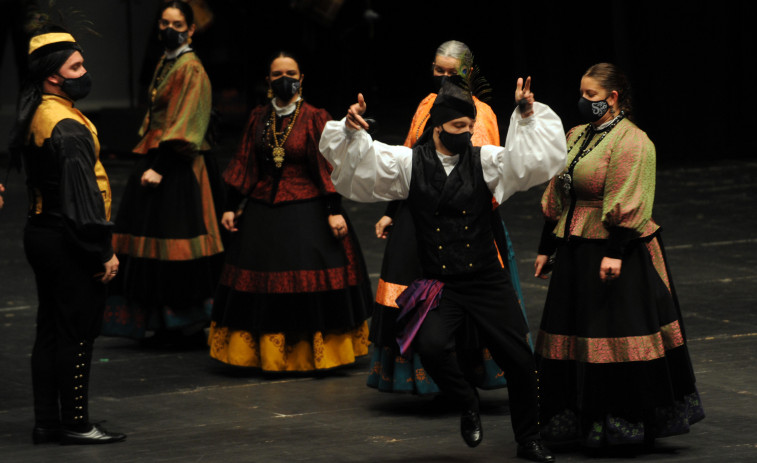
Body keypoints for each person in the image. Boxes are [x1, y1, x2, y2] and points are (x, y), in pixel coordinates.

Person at [319, 77, 566, 462]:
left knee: (519, 359)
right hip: (440, 281)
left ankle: (529, 440)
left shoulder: (484, 161)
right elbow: (361, 168)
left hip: (485, 278)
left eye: (469, 127)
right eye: (457, 127)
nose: (466, 134)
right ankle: (466, 400)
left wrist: (528, 115)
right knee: (431, 345)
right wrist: (350, 132)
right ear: (438, 126)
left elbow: (527, 162)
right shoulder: (409, 163)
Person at [533, 63, 704, 449]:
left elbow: (630, 199)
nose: (583, 101)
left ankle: (620, 422)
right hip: (575, 247)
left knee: (610, 336)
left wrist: (615, 252)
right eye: (582, 93)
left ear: (612, 97)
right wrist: (547, 246)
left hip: (613, 250)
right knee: (571, 333)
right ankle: (575, 417)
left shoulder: (633, 141)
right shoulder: (577, 134)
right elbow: (559, 192)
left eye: (591, 95)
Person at [368, 40, 527, 395]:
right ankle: (431, 379)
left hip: (466, 222)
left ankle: (469, 376)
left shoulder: (480, 113)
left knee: (469, 302)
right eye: (437, 70)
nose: (442, 77)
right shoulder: (428, 104)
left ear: (468, 72)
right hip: (420, 214)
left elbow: (486, 174)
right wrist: (391, 211)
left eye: (450, 72)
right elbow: (409, 157)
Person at [208, 52, 373, 373]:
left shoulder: (314, 117)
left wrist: (333, 210)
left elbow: (327, 166)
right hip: (262, 208)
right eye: (277, 73)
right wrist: (231, 206)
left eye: (291, 72)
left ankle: (311, 353)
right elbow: (245, 162)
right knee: (258, 279)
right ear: (268, 80)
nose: (285, 78)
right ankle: (264, 355)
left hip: (308, 206)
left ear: (302, 78)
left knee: (309, 276)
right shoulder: (258, 117)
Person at [8, 27, 125, 444]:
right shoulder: (65, 126)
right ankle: (75, 422)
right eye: (75, 66)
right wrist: (102, 251)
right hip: (67, 238)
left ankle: (47, 421)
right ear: (52, 76)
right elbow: (82, 201)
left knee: (51, 330)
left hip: (42, 232)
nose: (84, 71)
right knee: (76, 332)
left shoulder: (37, 110)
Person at [104, 1, 224, 345]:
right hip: (158, 156)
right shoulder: (166, 62)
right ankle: (158, 319)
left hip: (178, 164)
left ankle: (184, 322)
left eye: (177, 23)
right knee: (150, 241)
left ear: (191, 29)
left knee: (177, 244)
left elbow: (187, 125)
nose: (169, 28)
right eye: (165, 21)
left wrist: (160, 167)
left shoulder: (191, 69)